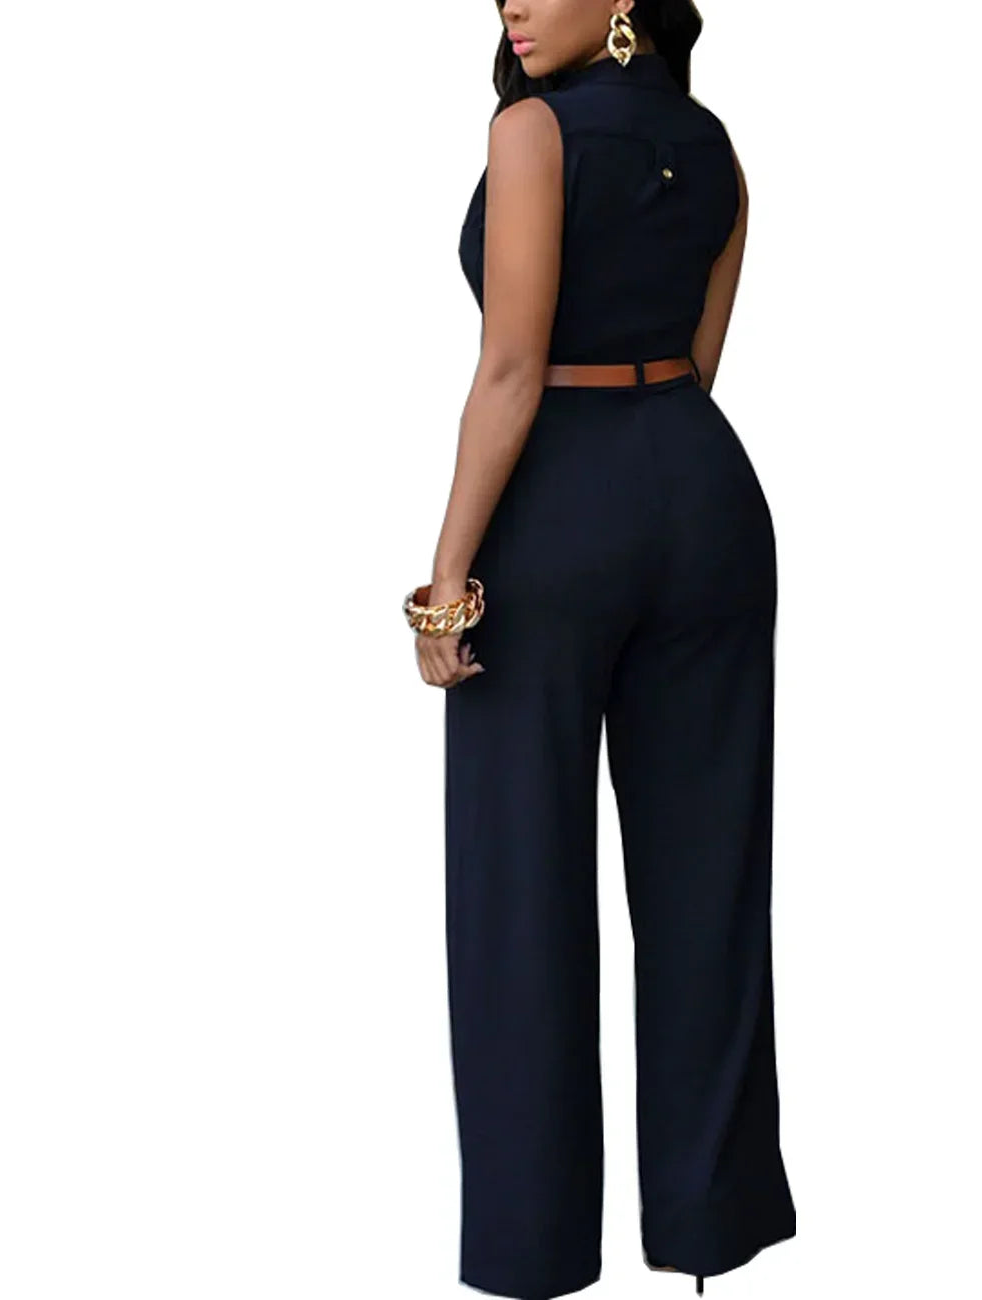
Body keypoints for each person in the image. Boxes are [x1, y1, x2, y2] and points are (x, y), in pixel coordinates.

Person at [403, 3, 796, 1296]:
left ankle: (533, 1255)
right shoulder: (717, 144)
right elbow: (699, 358)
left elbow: (511, 369)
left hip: (556, 512)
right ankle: (708, 1230)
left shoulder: (533, 136)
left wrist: (446, 583)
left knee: (519, 891)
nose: (511, 4)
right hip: (705, 495)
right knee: (709, 876)